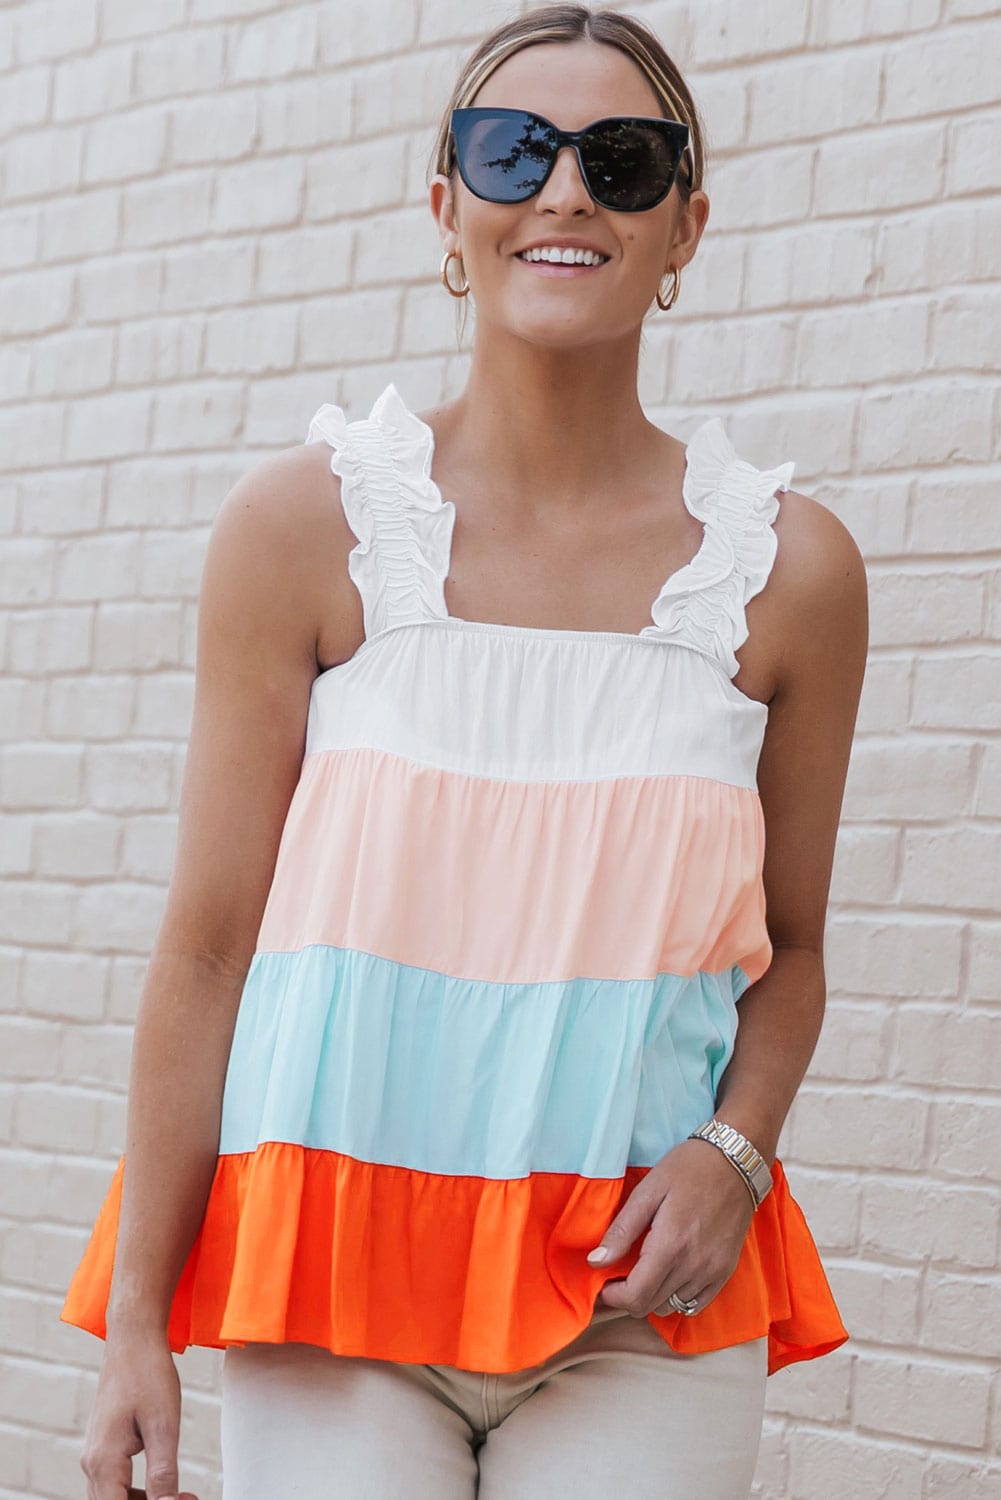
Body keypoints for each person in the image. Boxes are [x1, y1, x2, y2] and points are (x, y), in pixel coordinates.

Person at [61, 6, 867, 1498]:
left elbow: (798, 949)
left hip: (642, 1301)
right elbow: (207, 952)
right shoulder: (306, 529)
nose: (566, 192)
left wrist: (734, 1156)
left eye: (622, 161)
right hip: (333, 1287)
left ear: (685, 224)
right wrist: (134, 1330)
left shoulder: (788, 572)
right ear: (448, 206)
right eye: (517, 151)